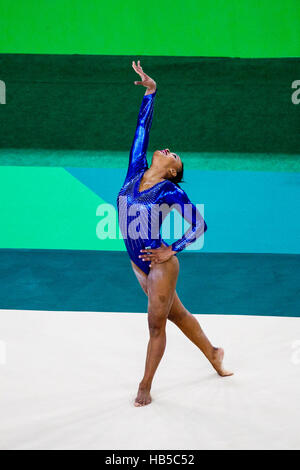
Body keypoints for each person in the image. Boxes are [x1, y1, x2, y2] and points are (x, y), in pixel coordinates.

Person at [117, 61, 233, 407]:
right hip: (138, 264)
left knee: (156, 326)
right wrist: (151, 92)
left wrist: (173, 250)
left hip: (158, 266)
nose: (167, 150)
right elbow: (141, 129)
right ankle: (213, 353)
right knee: (178, 315)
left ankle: (145, 386)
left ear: (172, 172)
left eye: (173, 156)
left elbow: (199, 225)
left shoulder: (170, 192)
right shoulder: (135, 170)